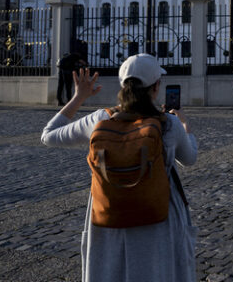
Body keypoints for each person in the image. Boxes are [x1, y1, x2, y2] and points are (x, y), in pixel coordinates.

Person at [41, 54, 198, 281]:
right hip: (157, 215)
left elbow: (48, 135)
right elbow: (190, 158)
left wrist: (79, 97)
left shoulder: (99, 120)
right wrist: (186, 128)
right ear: (156, 86)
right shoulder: (169, 124)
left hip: (109, 215)